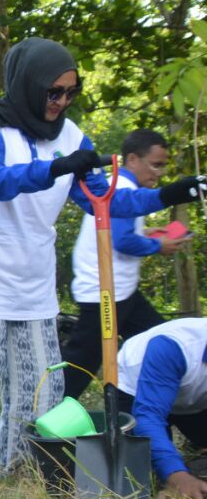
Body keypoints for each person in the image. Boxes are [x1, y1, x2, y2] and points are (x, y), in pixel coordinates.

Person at [0, 37, 207, 479]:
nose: (61, 102)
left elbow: (105, 201)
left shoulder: (71, 135)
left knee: (39, 391)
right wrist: (56, 169)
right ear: (28, 84)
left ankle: (19, 473)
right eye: (53, 92)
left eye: (70, 93)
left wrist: (171, 193)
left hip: (33, 283)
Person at [61, 129, 188, 398]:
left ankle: (192, 427)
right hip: (104, 295)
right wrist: (159, 245)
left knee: (163, 347)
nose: (160, 173)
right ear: (132, 159)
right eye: (156, 164)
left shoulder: (123, 187)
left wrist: (150, 232)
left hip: (123, 293)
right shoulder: (121, 188)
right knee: (80, 367)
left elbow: (120, 233)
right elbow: (121, 241)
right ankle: (42, 419)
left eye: (163, 166)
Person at [116, 318, 207, 499]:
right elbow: (147, 418)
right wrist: (176, 475)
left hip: (195, 400)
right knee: (141, 480)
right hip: (137, 393)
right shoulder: (173, 346)